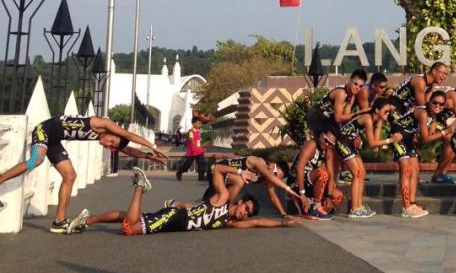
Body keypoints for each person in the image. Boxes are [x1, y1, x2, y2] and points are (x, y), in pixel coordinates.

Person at [0, 114, 167, 233]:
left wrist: (148, 156)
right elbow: (128, 135)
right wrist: (153, 146)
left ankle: (59, 222)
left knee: (70, 176)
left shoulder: (108, 136)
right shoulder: (102, 123)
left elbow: (127, 149)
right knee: (36, 160)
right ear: (112, 132)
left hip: (54, 140)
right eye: (111, 141)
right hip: (44, 130)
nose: (108, 145)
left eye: (111, 146)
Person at [69, 165, 295, 235]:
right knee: (131, 228)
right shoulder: (223, 199)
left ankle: (87, 220)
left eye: (247, 213)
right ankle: (140, 188)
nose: (245, 213)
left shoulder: (229, 222)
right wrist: (239, 172)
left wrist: (282, 223)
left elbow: (258, 222)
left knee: (129, 218)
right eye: (246, 207)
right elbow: (216, 169)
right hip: (175, 217)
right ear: (239, 202)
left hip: (175, 221)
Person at [390, 90, 455, 218]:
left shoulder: (434, 117)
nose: (438, 106)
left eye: (441, 104)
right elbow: (426, 138)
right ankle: (406, 207)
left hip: (408, 139)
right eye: (435, 103)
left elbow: (430, 136)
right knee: (406, 170)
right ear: (429, 102)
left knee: (415, 170)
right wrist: (445, 132)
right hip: (398, 137)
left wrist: (444, 134)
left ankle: (412, 204)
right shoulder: (423, 113)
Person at [332, 97, 400, 218]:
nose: (388, 114)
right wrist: (391, 140)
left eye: (389, 112)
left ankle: (359, 206)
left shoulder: (377, 119)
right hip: (343, 142)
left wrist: (381, 129)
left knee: (362, 173)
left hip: (350, 143)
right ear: (377, 110)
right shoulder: (368, 119)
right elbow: (372, 143)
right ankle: (354, 209)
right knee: (357, 173)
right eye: (386, 111)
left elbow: (376, 140)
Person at [200, 155, 302, 219]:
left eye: (276, 178)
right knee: (240, 180)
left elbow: (273, 197)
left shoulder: (268, 177)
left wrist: (283, 214)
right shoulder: (259, 162)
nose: (273, 179)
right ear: (273, 165)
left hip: (226, 181)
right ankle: (225, 210)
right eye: (275, 174)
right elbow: (270, 176)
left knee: (204, 208)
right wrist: (290, 190)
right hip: (216, 171)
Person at [288, 131, 342, 220]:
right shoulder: (312, 144)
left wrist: (328, 196)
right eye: (326, 140)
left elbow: (331, 175)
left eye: (331, 144)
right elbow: (299, 168)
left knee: (338, 195)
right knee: (322, 174)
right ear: (321, 136)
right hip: (296, 182)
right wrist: (302, 193)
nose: (327, 144)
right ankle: (316, 207)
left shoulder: (328, 150)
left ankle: (313, 206)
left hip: (310, 181)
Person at [176, 116, 207, 181]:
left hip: (199, 150)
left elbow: (198, 140)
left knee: (202, 163)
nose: (199, 125)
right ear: (193, 124)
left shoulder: (198, 131)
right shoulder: (191, 131)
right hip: (192, 151)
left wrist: (202, 147)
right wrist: (195, 146)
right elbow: (191, 139)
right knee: (187, 164)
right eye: (198, 123)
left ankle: (201, 176)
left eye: (200, 123)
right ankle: (179, 172)